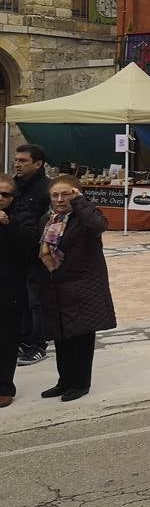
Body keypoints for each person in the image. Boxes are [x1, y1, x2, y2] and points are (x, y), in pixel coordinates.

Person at [36, 174, 117, 402]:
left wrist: (80, 202)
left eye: (66, 193)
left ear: (77, 194)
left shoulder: (85, 217)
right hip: (57, 286)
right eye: (55, 195)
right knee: (61, 337)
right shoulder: (48, 220)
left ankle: (80, 383)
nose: (60, 199)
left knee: (81, 337)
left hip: (83, 286)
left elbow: (99, 226)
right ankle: (64, 381)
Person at [12, 144, 51, 366]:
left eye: (23, 160)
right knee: (19, 299)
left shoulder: (47, 189)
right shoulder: (13, 186)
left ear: (38, 164)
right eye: (16, 159)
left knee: (36, 301)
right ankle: (23, 340)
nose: (17, 163)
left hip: (36, 254)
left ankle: (37, 345)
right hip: (15, 252)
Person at [0, 173, 34, 407]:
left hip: (9, 290)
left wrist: (8, 224)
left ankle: (4, 387)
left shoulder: (21, 216)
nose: (0, 198)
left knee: (6, 342)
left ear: (13, 196)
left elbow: (30, 245)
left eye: (4, 194)